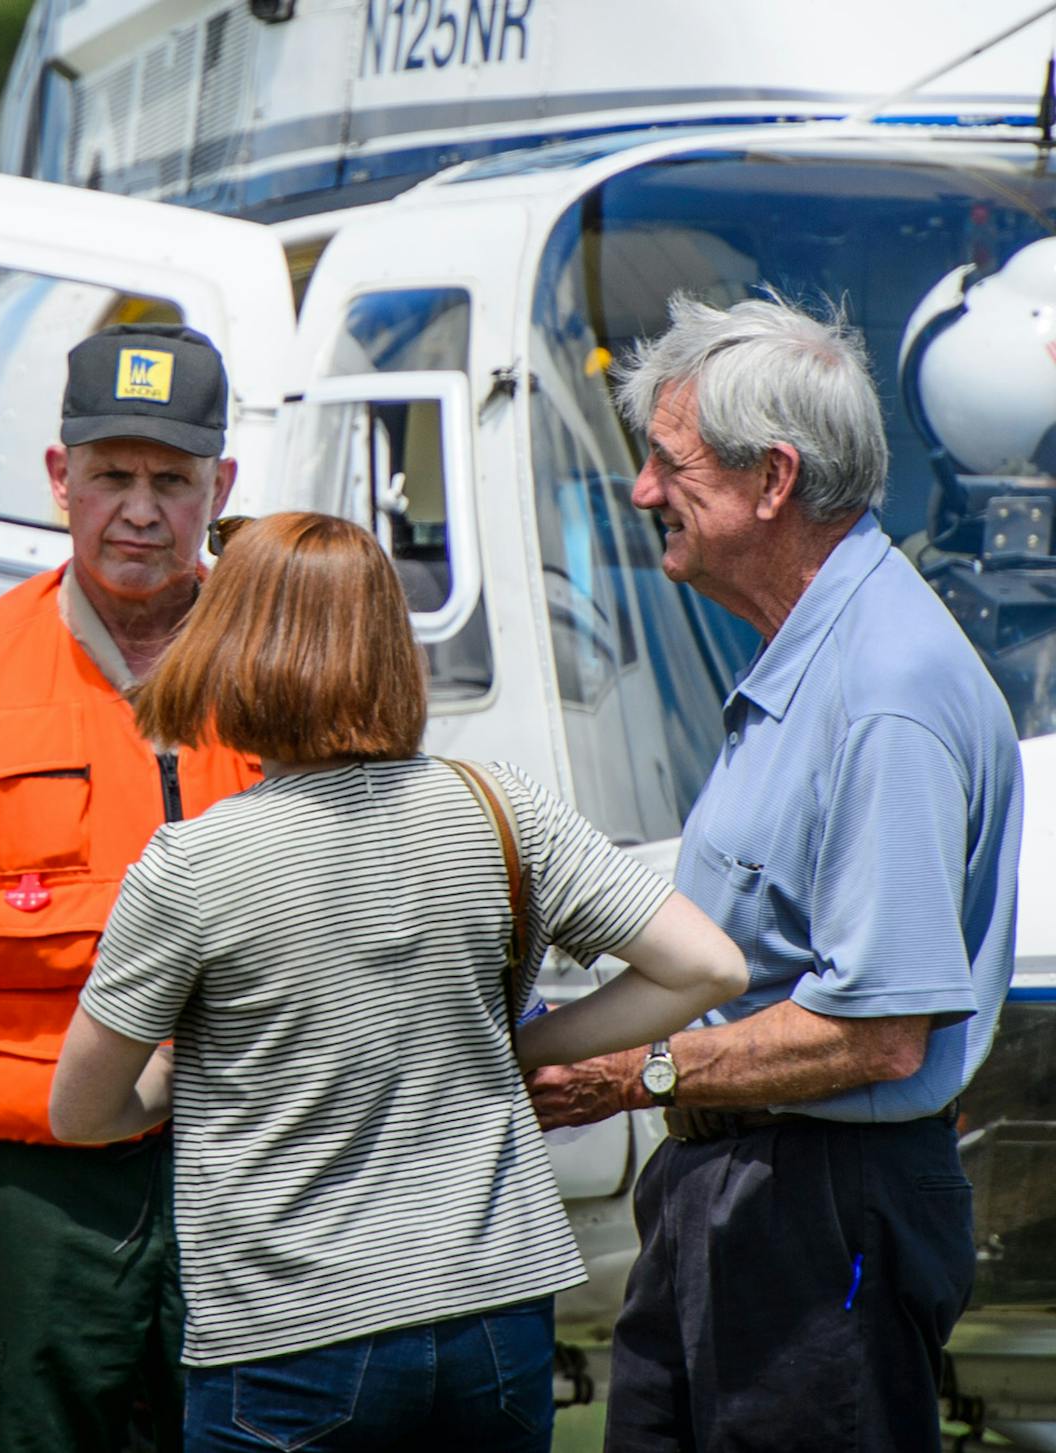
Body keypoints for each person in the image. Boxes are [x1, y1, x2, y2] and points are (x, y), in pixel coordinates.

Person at [46, 512, 748, 1452]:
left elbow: (82, 1110)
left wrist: (200, 1069)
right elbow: (707, 965)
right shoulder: (501, 805)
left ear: (233, 650)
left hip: (291, 1328)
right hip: (497, 1314)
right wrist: (521, 1043)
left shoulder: (193, 863)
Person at [526, 295, 1023, 1453]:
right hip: (746, 1189)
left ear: (773, 480)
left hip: (821, 1209)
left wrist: (632, 1073)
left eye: (668, 462)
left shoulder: (883, 689)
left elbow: (881, 1032)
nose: (643, 491)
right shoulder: (818, 653)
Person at [0, 322, 261, 1451]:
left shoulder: (284, 671)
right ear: (57, 478)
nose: (139, 509)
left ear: (220, 486)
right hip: (27, 1204)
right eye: (111, 475)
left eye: (171, 480)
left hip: (250, 1182)